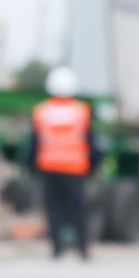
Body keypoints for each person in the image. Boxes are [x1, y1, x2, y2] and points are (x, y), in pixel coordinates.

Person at [30, 66, 98, 260]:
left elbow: (35, 143)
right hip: (75, 168)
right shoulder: (81, 111)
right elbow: (90, 142)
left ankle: (57, 249)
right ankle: (83, 249)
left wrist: (31, 166)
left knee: (54, 210)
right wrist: (93, 165)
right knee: (78, 209)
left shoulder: (42, 111)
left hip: (49, 167)